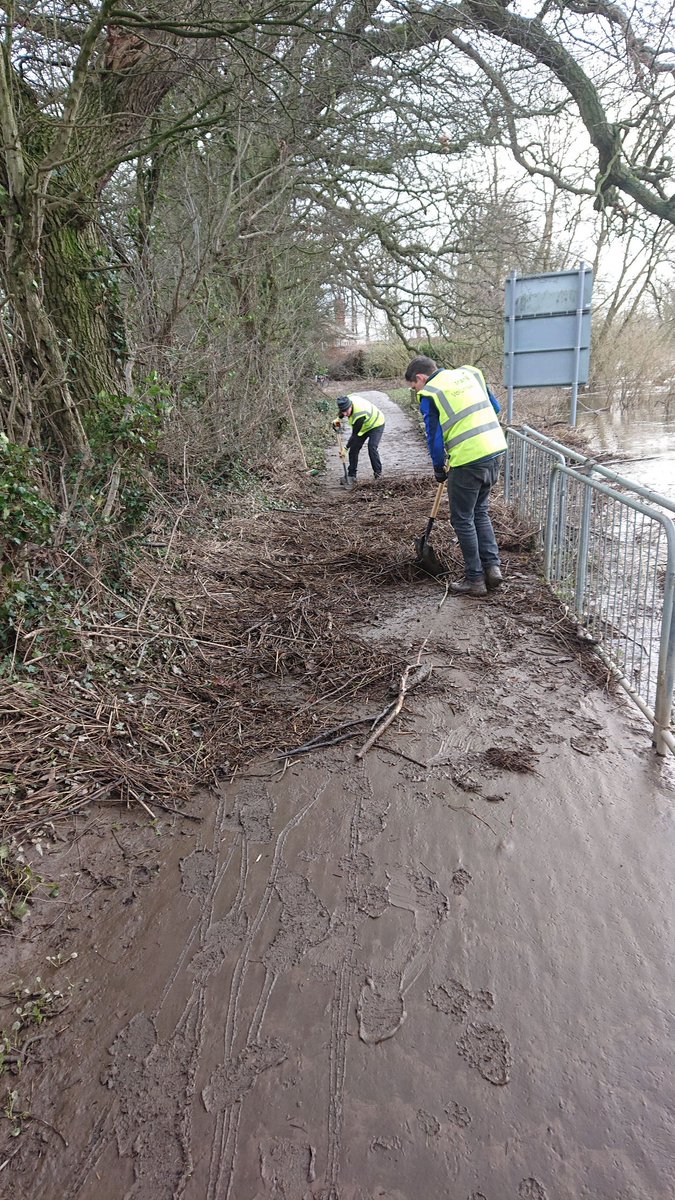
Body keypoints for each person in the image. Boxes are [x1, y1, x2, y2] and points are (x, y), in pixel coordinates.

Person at [405, 355, 507, 597]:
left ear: (421, 378)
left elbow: (434, 436)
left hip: (468, 460)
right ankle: (492, 568)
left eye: (414, 386)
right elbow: (495, 408)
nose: (416, 391)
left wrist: (439, 467)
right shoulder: (471, 373)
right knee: (480, 511)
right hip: (494, 451)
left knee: (462, 519)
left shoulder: (431, 393)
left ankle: (475, 580)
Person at [331, 394, 385, 488]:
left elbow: (355, 435)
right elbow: (343, 410)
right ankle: (352, 476)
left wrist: (345, 448)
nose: (345, 414)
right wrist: (338, 419)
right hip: (365, 426)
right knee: (354, 449)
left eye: (346, 411)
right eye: (342, 411)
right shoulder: (347, 400)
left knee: (372, 447)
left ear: (350, 405)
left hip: (376, 423)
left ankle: (378, 475)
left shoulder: (359, 414)